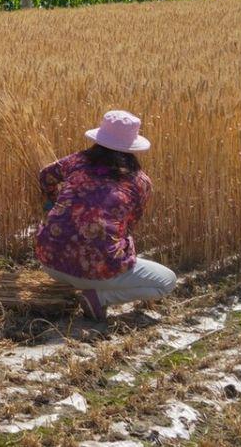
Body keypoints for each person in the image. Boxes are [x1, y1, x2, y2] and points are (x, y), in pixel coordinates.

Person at [35, 110, 176, 322]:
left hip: (49, 261)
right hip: (97, 273)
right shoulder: (140, 182)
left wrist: (53, 203)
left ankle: (85, 284)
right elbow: (128, 227)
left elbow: (45, 176)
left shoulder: (77, 161)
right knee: (166, 281)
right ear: (132, 145)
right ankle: (100, 298)